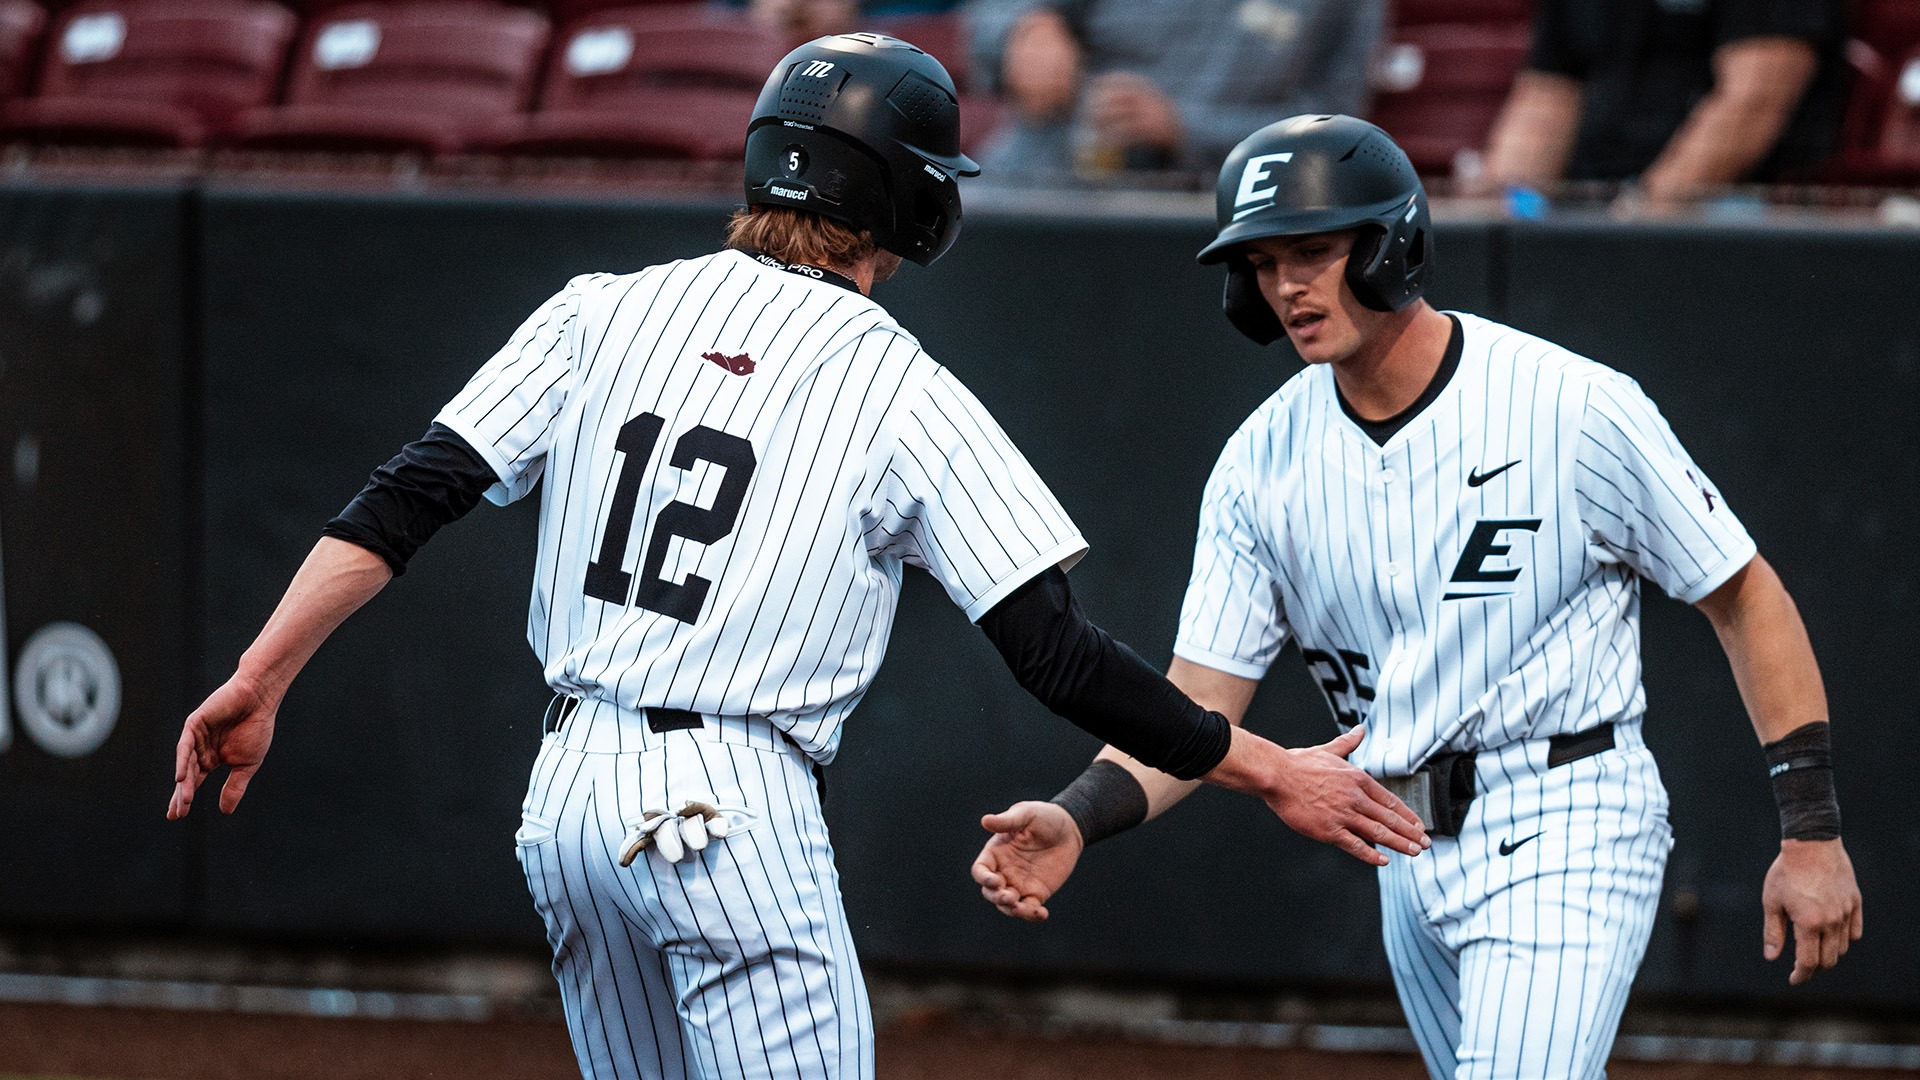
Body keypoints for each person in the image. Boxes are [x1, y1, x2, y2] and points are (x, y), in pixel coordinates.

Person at [166, 43, 1427, 1080]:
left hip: (563, 797)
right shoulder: (896, 382)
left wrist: (263, 675)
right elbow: (1053, 650)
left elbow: (407, 499)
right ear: (907, 199)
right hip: (728, 806)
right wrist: (1264, 769)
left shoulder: (602, 305)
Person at [971, 114, 1864, 1078]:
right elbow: (1197, 708)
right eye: (1263, 264)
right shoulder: (1256, 465)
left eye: (1312, 252)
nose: (1287, 286)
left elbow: (1744, 595)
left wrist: (1810, 828)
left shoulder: (1571, 406)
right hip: (1399, 839)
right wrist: (1079, 813)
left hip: (1569, 810)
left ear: (1390, 244)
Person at [1481, 0, 1848, 207]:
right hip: (1594, 200)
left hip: (1733, 201)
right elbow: (1547, 96)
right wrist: (1504, 206)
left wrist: (1645, 209)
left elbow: (1753, 101)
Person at [964, 0, 1380, 182]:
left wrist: (1184, 129)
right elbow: (989, 21)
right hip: (1048, 179)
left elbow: (1337, 131)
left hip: (1212, 212)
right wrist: (1025, 29)